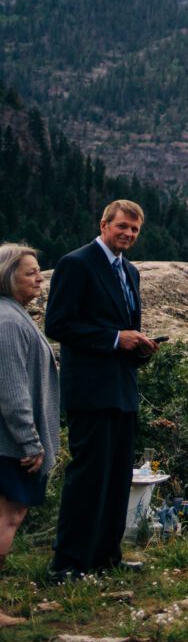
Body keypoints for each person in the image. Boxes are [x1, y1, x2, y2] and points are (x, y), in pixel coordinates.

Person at [44, 201, 156, 580]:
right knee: (88, 475)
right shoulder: (76, 263)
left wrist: (139, 346)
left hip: (122, 387)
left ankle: (107, 556)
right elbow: (58, 324)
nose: (127, 235)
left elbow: (126, 330)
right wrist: (114, 339)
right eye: (122, 227)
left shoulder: (131, 272)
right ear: (104, 224)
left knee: (117, 474)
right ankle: (68, 563)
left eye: (134, 231)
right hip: (89, 389)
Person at [0, 243, 59, 617]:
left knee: (11, 515)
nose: (40, 278)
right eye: (30, 272)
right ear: (8, 277)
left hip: (11, 442)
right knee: (7, 517)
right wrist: (30, 441)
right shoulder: (6, 321)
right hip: (10, 444)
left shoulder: (13, 314)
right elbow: (11, 389)